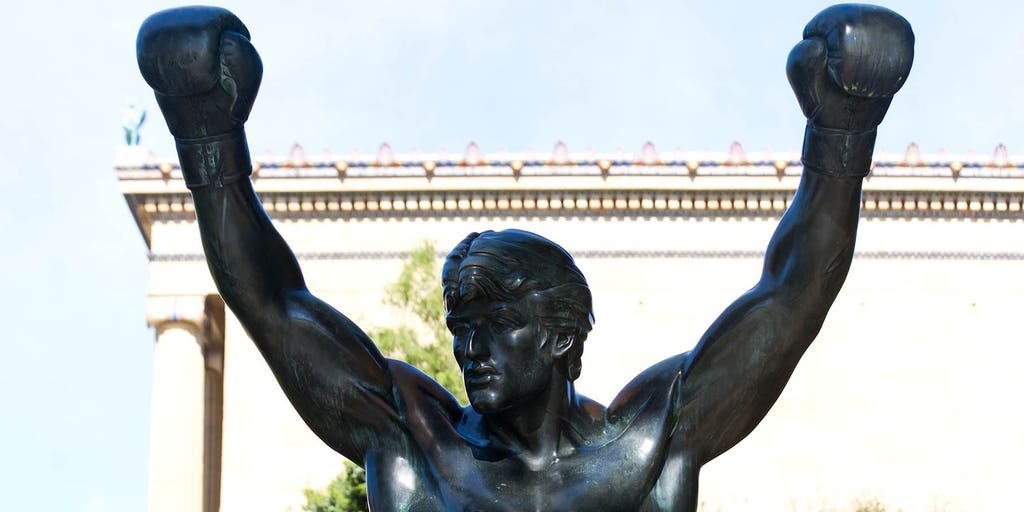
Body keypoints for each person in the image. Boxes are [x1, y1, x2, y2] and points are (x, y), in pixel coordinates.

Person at [137, 4, 914, 510]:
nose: (466, 346)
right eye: (460, 324)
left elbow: (791, 301)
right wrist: (208, 133)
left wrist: (841, 135)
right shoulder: (417, 446)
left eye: (495, 323)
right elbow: (274, 307)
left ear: (560, 336)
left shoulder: (648, 446)